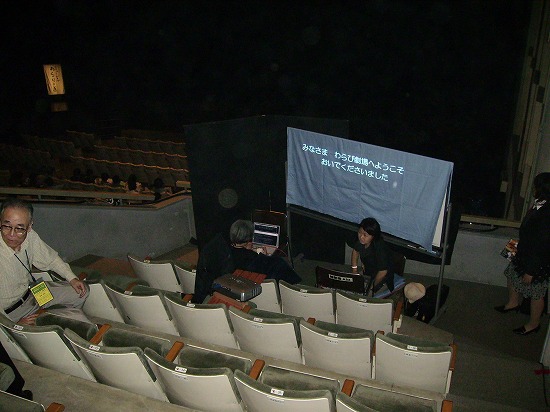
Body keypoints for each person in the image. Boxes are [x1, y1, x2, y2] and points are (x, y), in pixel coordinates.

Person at [0, 198, 89, 325]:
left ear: (29, 227)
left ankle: (62, 321)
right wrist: (13, 326)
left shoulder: (30, 236)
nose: (12, 234)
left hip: (32, 294)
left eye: (19, 228)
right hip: (11, 313)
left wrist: (72, 278)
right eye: (7, 226)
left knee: (81, 291)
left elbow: (51, 259)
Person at [495, 172, 550, 335]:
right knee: (511, 274)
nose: (533, 188)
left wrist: (531, 270)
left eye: (535, 186)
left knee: (536, 293)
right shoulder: (540, 203)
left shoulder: (547, 213)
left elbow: (543, 245)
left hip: (536, 259)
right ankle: (513, 303)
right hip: (523, 249)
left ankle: (533, 324)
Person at [193, 219, 301, 303]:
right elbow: (270, 265)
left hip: (209, 291)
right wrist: (261, 254)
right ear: (249, 239)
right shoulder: (253, 259)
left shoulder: (219, 248)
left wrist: (247, 248)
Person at [351, 217, 394, 295]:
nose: (361, 237)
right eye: (360, 232)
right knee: (350, 284)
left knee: (363, 296)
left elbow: (383, 272)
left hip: (382, 279)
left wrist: (372, 287)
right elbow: (355, 251)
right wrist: (354, 270)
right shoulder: (361, 241)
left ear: (373, 236)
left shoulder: (380, 247)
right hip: (368, 273)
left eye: (365, 235)